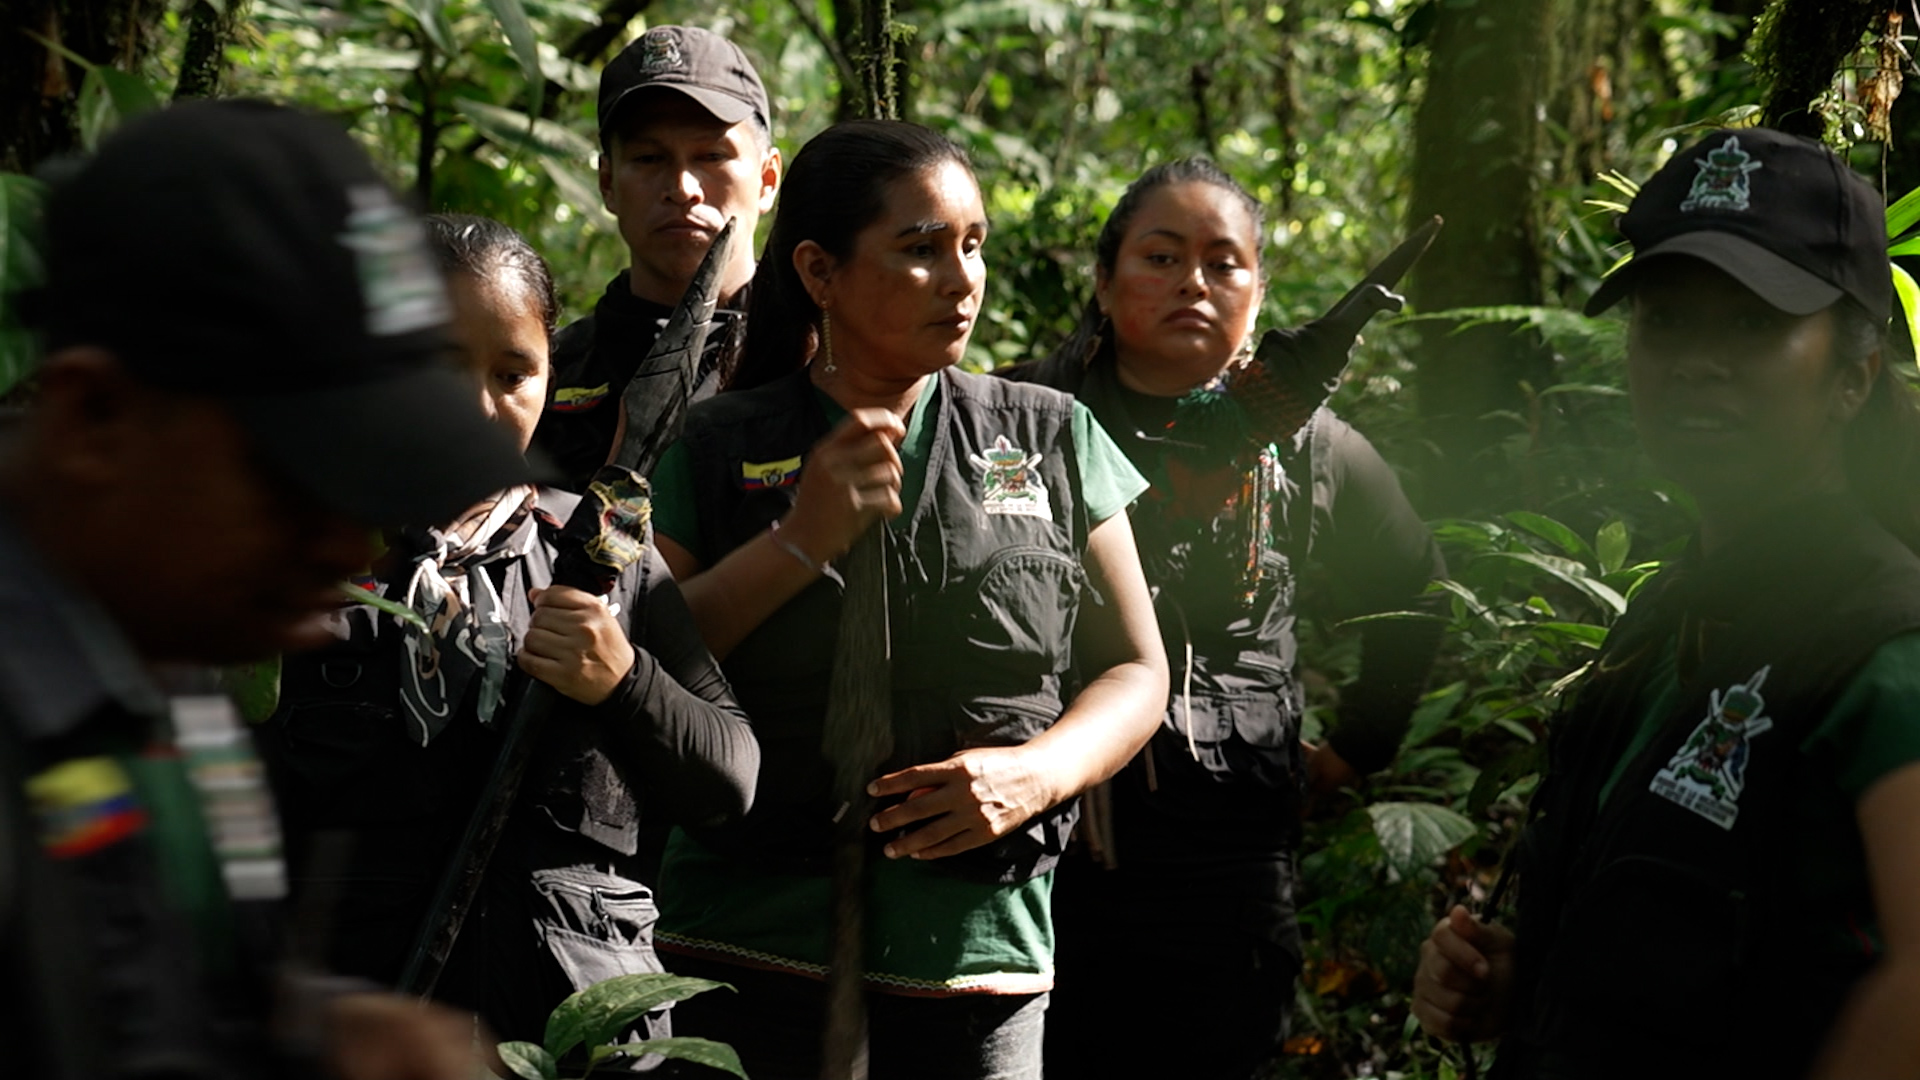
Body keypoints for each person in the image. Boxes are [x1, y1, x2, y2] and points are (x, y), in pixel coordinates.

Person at [0, 101, 532, 1080]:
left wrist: (316, 1035)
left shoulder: (167, 678)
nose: (342, 545)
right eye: (295, 481)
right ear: (94, 420)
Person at [645, 120, 1169, 1080]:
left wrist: (1040, 774)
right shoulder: (715, 444)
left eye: (972, 245)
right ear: (819, 270)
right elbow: (648, 663)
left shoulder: (1051, 435)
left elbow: (1138, 668)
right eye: (921, 250)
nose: (961, 277)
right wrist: (799, 541)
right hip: (740, 949)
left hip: (977, 961)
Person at [1411, 128, 1920, 1079]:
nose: (1695, 361)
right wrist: (1528, 989)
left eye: (1750, 324)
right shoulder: (1668, 620)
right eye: (1667, 321)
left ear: (1854, 375)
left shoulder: (1886, 644)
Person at [257, 213, 758, 1047]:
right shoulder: (293, 563)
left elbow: (732, 779)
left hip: (567, 1042)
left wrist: (621, 678)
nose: (478, 406)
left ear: (551, 379)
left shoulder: (601, 554)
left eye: (512, 372)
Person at [1002, 159, 1446, 1078]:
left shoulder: (1314, 447)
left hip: (1225, 864)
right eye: (1161, 257)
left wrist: (1357, 746)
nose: (1192, 283)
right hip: (1034, 851)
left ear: (1259, 291)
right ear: (1105, 277)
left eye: (1223, 262)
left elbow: (1418, 593)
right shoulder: (1019, 416)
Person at [531, 24, 782, 489]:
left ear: (768, 180)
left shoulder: (822, 353)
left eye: (711, 155)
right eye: (649, 159)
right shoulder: (541, 377)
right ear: (608, 183)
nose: (683, 189)